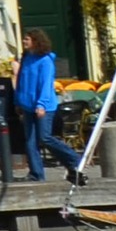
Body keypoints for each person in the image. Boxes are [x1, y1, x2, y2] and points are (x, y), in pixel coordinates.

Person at [15, 29, 91, 181]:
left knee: (45, 137)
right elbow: (21, 82)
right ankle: (36, 174)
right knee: (30, 141)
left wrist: (41, 104)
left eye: (27, 39)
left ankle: (74, 158)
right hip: (27, 106)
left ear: (36, 41)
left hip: (44, 106)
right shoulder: (26, 58)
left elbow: (45, 84)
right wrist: (18, 101)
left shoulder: (46, 61)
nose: (24, 41)